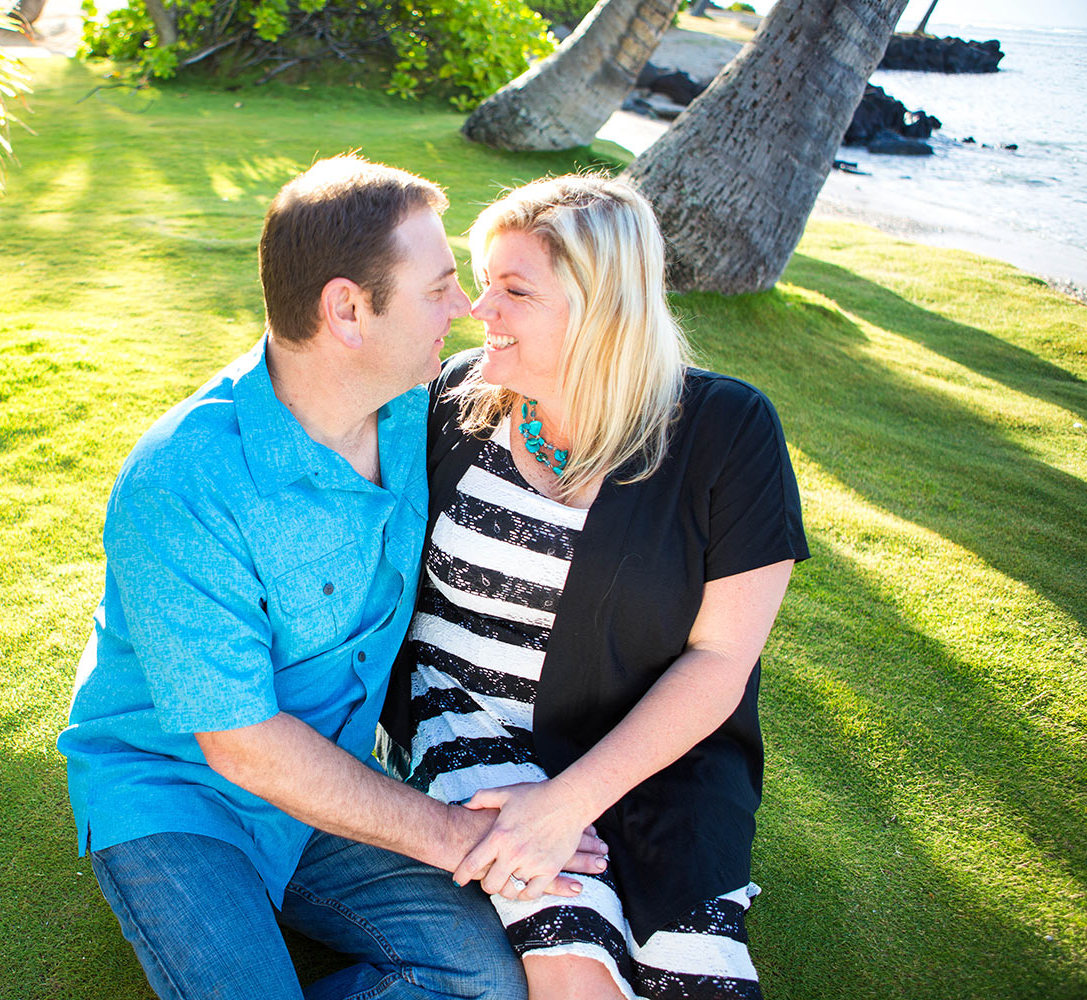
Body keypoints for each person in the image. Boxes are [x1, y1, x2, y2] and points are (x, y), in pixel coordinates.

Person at [57, 155, 608, 1000]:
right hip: (176, 795)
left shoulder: (416, 413)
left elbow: (573, 391)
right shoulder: (183, 483)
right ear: (348, 310)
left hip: (332, 786)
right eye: (440, 288)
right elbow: (240, 742)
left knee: (484, 983)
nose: (465, 310)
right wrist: (459, 836)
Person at [380, 174, 809, 1000]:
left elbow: (722, 659)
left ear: (603, 306)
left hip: (655, 753)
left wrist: (566, 802)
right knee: (575, 974)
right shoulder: (453, 405)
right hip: (465, 724)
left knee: (701, 983)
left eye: (514, 290)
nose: (479, 310)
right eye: (484, 282)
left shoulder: (726, 433)